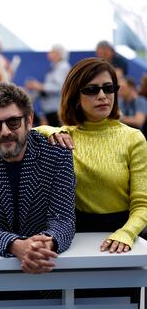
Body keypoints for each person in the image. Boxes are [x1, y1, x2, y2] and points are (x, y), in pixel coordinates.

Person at [41, 57, 147, 305]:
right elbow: (27, 131)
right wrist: (52, 130)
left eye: (109, 88)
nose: (102, 95)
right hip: (74, 239)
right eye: (92, 89)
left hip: (120, 240)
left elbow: (142, 203)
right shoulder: (64, 135)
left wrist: (127, 233)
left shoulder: (133, 139)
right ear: (75, 95)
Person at [0, 82, 76, 274]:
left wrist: (46, 245)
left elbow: (62, 219)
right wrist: (16, 246)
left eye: (13, 122)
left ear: (29, 121)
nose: (5, 131)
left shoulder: (57, 154)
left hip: (48, 273)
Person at [25, 44, 70, 126]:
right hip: (51, 108)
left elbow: (60, 87)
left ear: (58, 53)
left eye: (51, 52)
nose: (48, 54)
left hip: (56, 108)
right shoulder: (55, 66)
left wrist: (39, 86)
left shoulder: (63, 67)